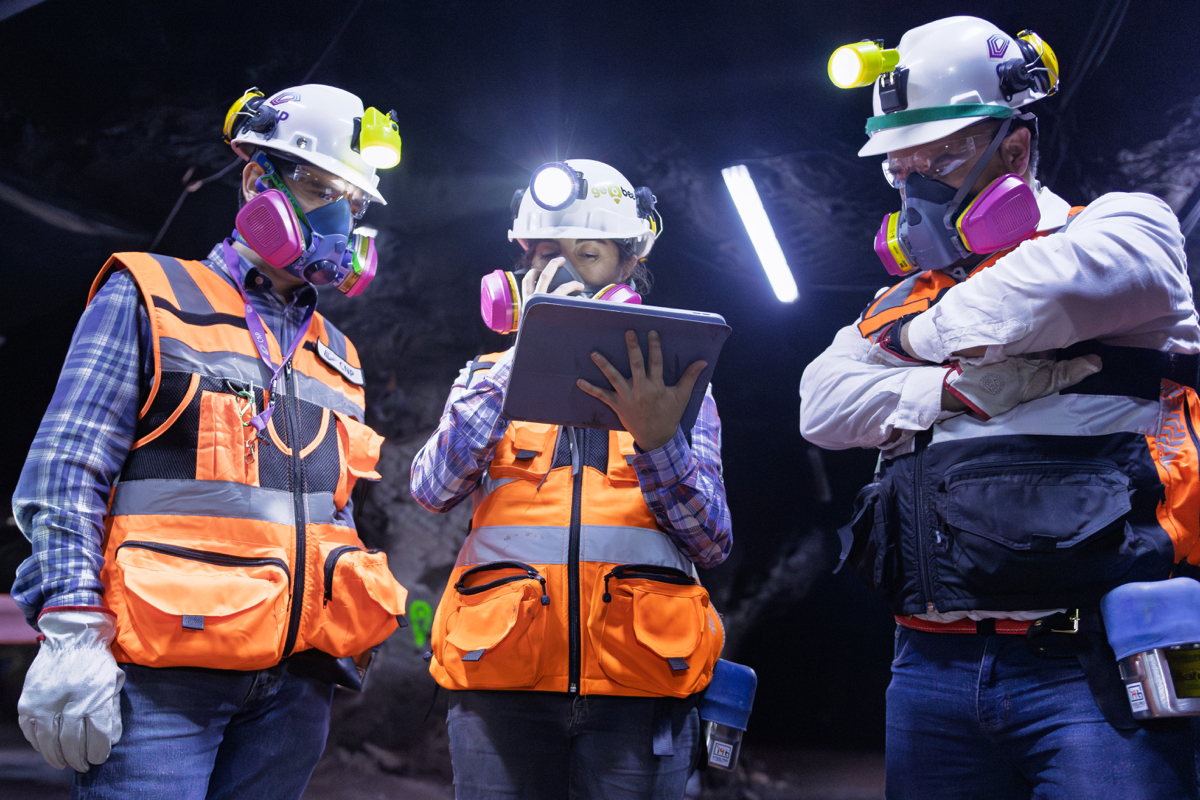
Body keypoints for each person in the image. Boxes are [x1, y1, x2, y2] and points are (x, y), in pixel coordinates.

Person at [800, 17, 1200, 800]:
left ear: (1014, 150)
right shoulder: (906, 291)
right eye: (900, 167)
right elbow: (822, 403)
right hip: (929, 663)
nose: (915, 185)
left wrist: (909, 339)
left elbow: (1027, 299)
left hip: (1100, 657)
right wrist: (950, 389)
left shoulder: (1125, 229)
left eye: (939, 159)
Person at [12, 84, 408, 799]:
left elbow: (334, 512)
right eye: (323, 192)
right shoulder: (151, 295)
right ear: (259, 182)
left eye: (353, 203)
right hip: (163, 679)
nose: (340, 220)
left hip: (294, 688)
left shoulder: (338, 354)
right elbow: (67, 467)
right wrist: (71, 623)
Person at [410, 158, 731, 799]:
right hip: (500, 680)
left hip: (640, 682)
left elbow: (711, 540)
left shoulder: (676, 391)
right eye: (546, 256)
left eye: (586, 256)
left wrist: (658, 438)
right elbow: (432, 487)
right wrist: (524, 354)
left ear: (627, 268)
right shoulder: (485, 377)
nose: (562, 274)